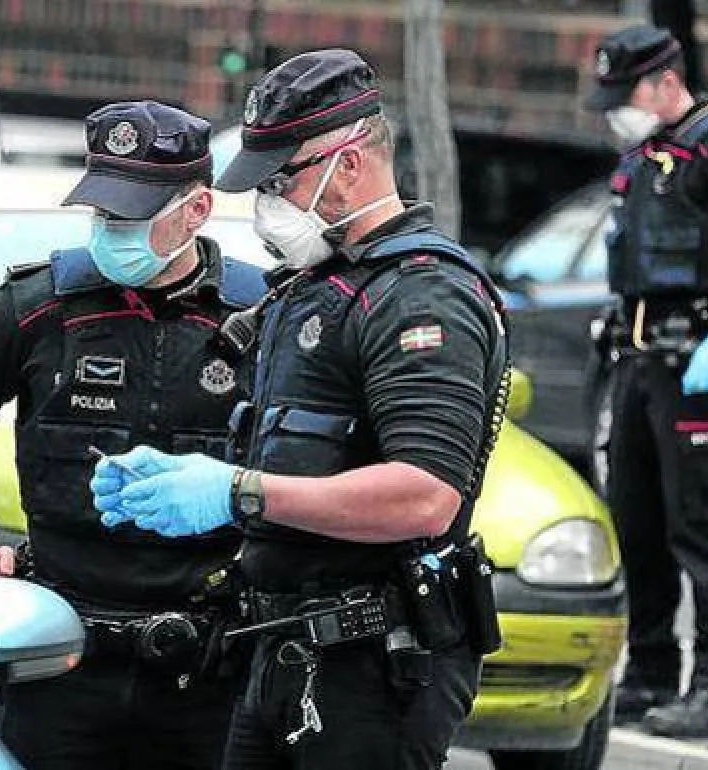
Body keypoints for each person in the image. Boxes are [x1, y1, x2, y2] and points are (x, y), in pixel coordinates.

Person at [91, 49, 510, 769]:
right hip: (284, 650)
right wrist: (193, 479)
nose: (268, 203)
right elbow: (283, 454)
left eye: (282, 180)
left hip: (375, 667)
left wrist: (237, 495)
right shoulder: (312, 287)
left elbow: (425, 496)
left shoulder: (421, 297)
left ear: (349, 163)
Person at [0, 100, 266, 769]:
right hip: (59, 656)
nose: (112, 229)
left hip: (206, 667)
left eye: (132, 215)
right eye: (103, 212)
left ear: (197, 210)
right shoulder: (39, 307)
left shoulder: (258, 318)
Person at [584, 25, 708, 740]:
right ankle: (650, 675)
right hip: (634, 366)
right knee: (638, 524)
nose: (616, 109)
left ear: (666, 81)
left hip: (696, 368)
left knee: (704, 528)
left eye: (624, 92)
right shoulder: (642, 158)